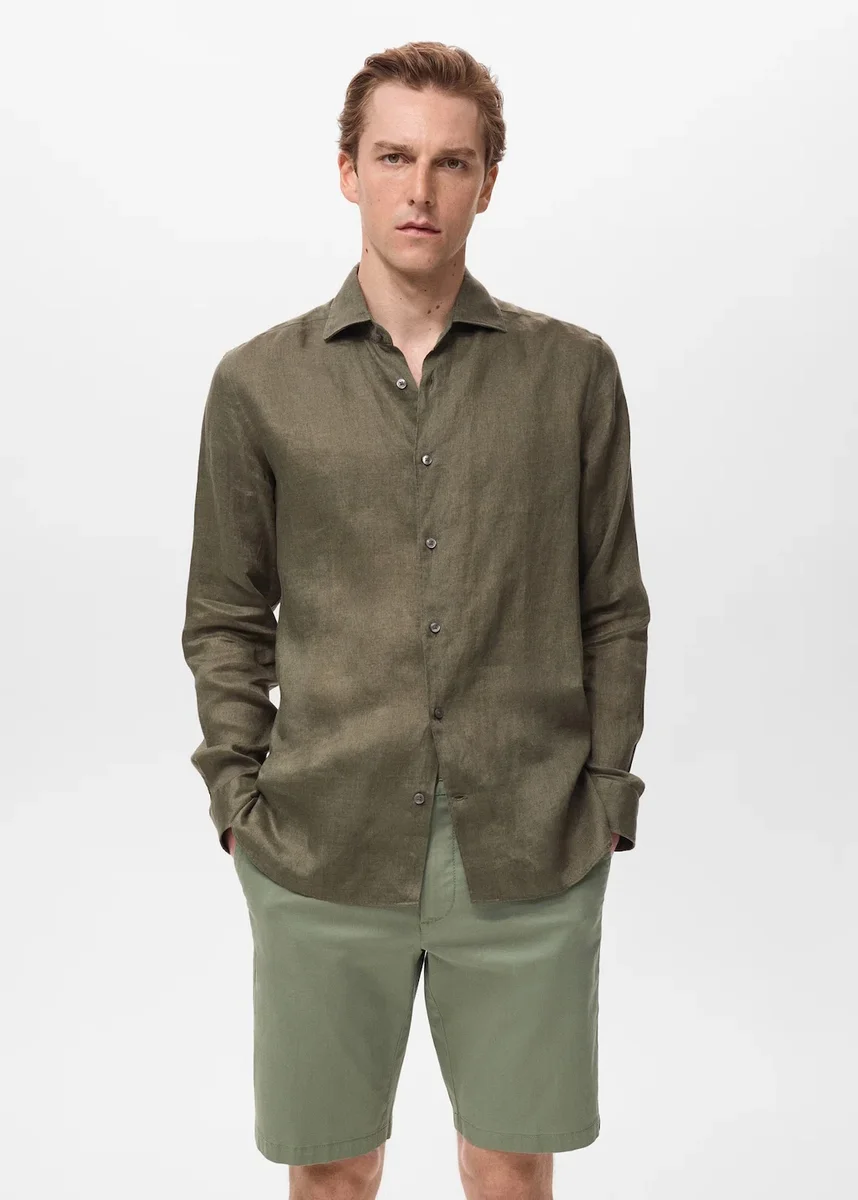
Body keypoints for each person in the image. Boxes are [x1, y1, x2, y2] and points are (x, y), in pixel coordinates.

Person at [181, 39, 650, 1200]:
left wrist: (605, 793)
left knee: (510, 1167)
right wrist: (238, 793)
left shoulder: (573, 375)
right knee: (334, 1171)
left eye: (452, 161)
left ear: (488, 181)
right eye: (393, 157)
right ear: (348, 170)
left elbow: (612, 604)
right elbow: (227, 613)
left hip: (532, 842)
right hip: (320, 843)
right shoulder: (259, 384)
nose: (420, 189)